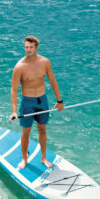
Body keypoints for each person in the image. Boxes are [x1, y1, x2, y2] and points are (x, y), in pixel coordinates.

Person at [10, 35, 63, 169]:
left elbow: (52, 81)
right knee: (26, 131)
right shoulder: (19, 67)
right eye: (26, 47)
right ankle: (24, 158)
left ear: (36, 47)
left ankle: (43, 158)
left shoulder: (45, 62)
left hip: (42, 100)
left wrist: (59, 100)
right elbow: (14, 90)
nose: (28, 50)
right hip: (27, 102)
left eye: (31, 47)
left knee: (42, 129)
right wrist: (14, 111)